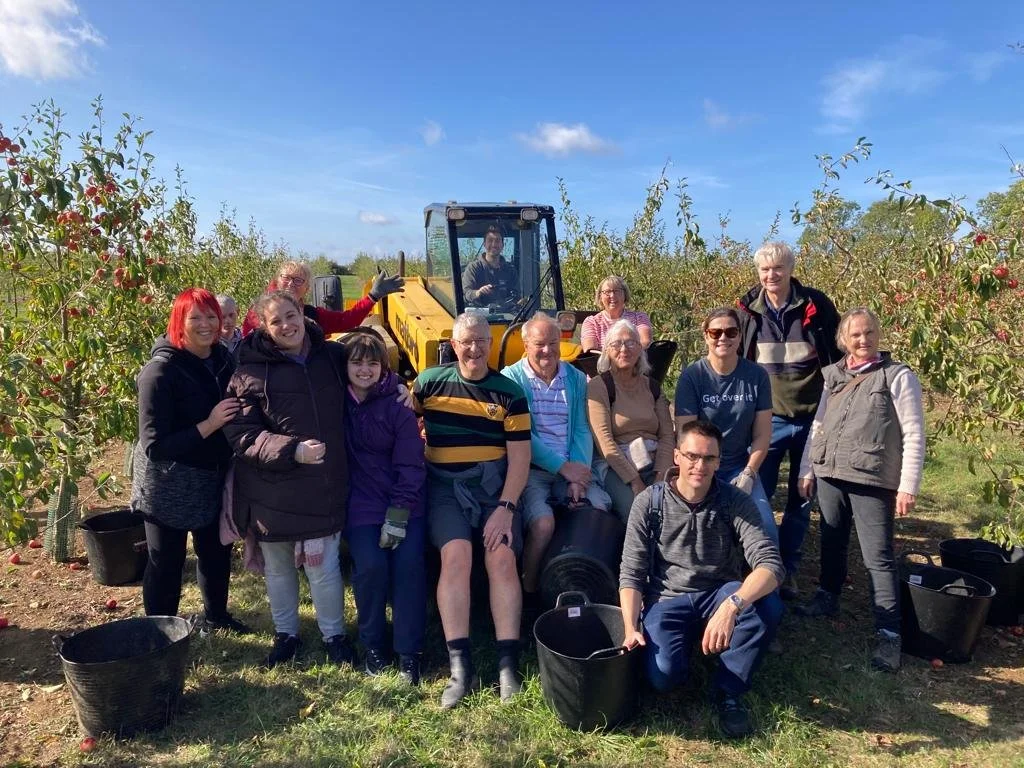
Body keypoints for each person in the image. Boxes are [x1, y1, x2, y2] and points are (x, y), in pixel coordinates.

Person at [619, 421, 784, 739]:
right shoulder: (649, 503)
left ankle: (728, 690)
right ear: (677, 457)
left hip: (719, 591)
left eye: (709, 458)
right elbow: (632, 572)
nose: (700, 465)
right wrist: (629, 628)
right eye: (692, 456)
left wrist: (732, 606)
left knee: (768, 606)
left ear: (719, 462)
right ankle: (685, 654)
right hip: (667, 597)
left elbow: (770, 565)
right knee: (664, 677)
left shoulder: (733, 500)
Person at [223, 290, 353, 668]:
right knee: (278, 567)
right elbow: (242, 433)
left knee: (323, 567)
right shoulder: (248, 372)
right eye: (276, 320)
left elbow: (369, 374)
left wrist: (394, 389)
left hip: (322, 483)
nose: (286, 325)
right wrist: (291, 450)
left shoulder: (331, 356)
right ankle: (286, 635)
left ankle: (335, 636)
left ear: (303, 314)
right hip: (271, 488)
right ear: (263, 327)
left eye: (290, 315)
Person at [794, 307, 925, 673]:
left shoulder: (897, 376)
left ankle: (888, 632)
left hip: (872, 477)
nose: (863, 340)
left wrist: (907, 485)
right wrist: (808, 469)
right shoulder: (834, 376)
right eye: (855, 335)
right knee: (832, 538)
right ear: (843, 340)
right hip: (831, 472)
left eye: (868, 333)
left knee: (877, 557)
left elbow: (914, 432)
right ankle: (827, 595)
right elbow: (818, 425)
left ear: (878, 335)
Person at [413, 312, 531, 708]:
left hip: (493, 487)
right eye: (467, 341)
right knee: (457, 555)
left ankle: (507, 666)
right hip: (445, 487)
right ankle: (460, 667)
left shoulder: (508, 392)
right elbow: (400, 417)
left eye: (482, 339)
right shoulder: (429, 383)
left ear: (489, 342)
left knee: (501, 559)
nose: (475, 348)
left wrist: (505, 508)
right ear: (454, 344)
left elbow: (519, 460)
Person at [132, 288, 251, 634]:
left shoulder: (222, 359)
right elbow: (155, 444)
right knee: (166, 560)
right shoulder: (159, 373)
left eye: (211, 316)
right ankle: (160, 632)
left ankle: (217, 616)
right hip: (168, 482)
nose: (205, 324)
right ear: (179, 322)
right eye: (195, 317)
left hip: (212, 474)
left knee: (215, 551)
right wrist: (210, 424)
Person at [737, 241, 842, 600]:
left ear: (790, 268)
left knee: (802, 496)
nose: (772, 275)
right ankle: (763, 566)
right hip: (769, 419)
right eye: (765, 269)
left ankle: (789, 568)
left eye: (778, 268)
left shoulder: (815, 305)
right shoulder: (747, 310)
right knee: (759, 495)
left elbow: (837, 353)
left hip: (814, 417)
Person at [500, 313, 612, 615]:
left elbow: (580, 429)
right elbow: (524, 435)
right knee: (543, 523)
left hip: (571, 467)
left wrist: (577, 474)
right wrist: (563, 469)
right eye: (540, 344)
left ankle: (587, 590)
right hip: (533, 470)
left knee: (597, 510)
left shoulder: (574, 379)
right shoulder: (512, 379)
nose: (548, 351)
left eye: (553, 343)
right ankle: (531, 590)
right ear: (525, 345)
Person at [342, 330, 427, 685]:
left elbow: (411, 464)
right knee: (371, 568)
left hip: (404, 501)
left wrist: (398, 515)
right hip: (361, 502)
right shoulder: (335, 401)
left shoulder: (398, 406)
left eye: (372, 362)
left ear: (383, 366)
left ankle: (410, 652)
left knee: (408, 567)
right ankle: (374, 645)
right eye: (356, 362)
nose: (364, 369)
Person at [674, 308, 777, 544]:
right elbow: (686, 435)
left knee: (766, 531)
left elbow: (762, 434)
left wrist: (749, 473)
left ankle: (767, 577)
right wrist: (704, 471)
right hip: (699, 466)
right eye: (716, 332)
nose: (723, 338)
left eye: (731, 332)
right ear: (706, 335)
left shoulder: (756, 376)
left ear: (740, 336)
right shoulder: (693, 376)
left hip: (739, 467)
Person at [587, 319, 674, 523]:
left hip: (654, 463)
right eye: (617, 343)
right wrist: (635, 482)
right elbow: (604, 441)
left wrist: (660, 478)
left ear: (640, 350)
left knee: (673, 510)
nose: (624, 349)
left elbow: (667, 435)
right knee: (638, 514)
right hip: (617, 466)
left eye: (631, 343)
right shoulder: (600, 386)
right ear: (607, 350)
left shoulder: (652, 387)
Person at [241, 260, 404, 336]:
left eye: (298, 280)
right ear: (277, 279)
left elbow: (345, 320)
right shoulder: (258, 312)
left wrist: (373, 296)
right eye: (286, 277)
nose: (291, 283)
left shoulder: (312, 316)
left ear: (307, 289)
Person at [580, 275, 653, 353]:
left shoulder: (639, 318)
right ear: (600, 297)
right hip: (603, 364)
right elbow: (590, 351)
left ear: (625, 295)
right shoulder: (592, 322)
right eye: (607, 292)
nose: (612, 295)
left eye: (617, 291)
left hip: (637, 363)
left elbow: (645, 342)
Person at [461, 225, 519, 307]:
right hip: (477, 316)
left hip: (507, 317)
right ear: (484, 244)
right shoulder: (473, 268)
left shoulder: (510, 270)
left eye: (497, 241)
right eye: (490, 240)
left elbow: (516, 296)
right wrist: (478, 292)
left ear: (503, 245)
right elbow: (466, 294)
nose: (494, 244)